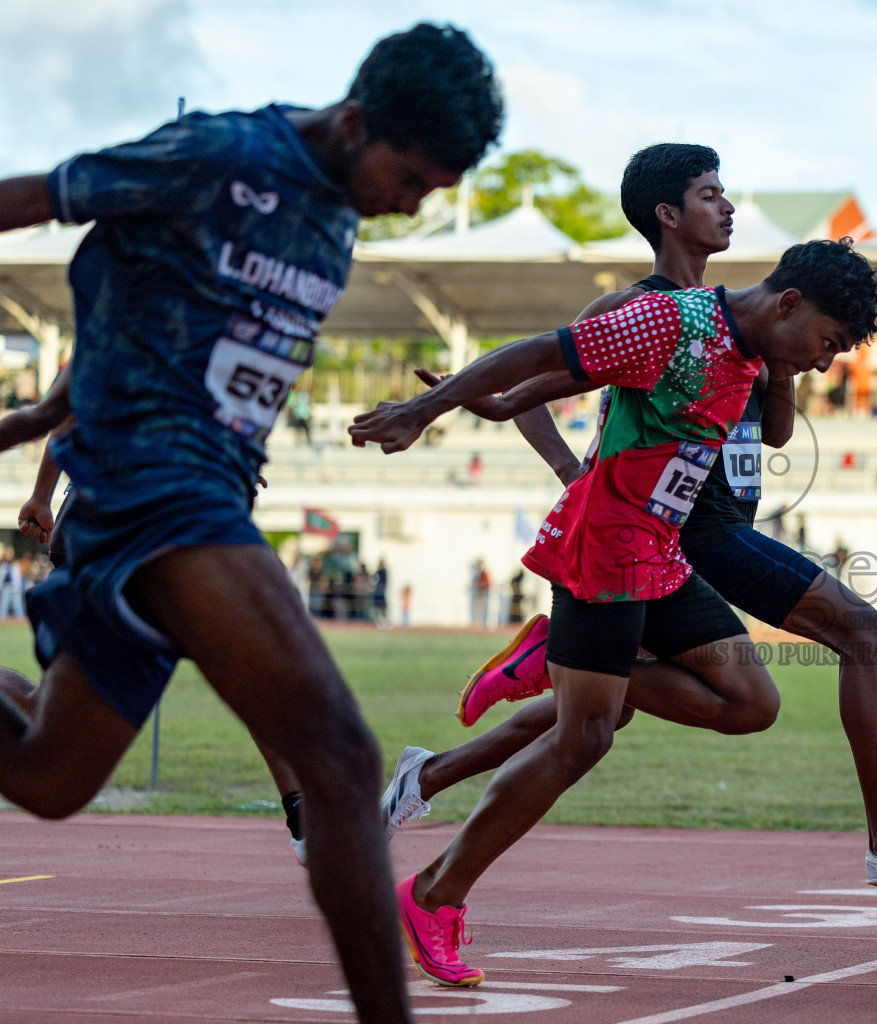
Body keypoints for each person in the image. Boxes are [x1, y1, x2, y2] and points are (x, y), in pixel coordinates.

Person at [0, 22, 504, 1023]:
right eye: (409, 178)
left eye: (434, 194)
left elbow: (147, 306)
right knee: (343, 760)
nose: (411, 205)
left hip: (194, 496)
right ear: (356, 122)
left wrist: (50, 413)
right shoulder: (221, 156)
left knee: (50, 777)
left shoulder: (341, 218)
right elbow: (34, 197)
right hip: (158, 490)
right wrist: (49, 427)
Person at [377, 143, 877, 927]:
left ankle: (433, 772)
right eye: (709, 194)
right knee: (857, 632)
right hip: (678, 529)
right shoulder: (654, 310)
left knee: (599, 712)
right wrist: (550, 462)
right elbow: (538, 379)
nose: (726, 206)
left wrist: (781, 366)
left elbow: (778, 434)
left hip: (687, 528)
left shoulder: (743, 325)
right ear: (668, 214)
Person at [350, 232, 877, 987]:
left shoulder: (752, 349)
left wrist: (785, 365)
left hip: (659, 553)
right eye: (826, 343)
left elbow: (768, 428)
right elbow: (546, 351)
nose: (825, 361)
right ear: (789, 303)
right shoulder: (671, 322)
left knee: (751, 701)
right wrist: (427, 408)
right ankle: (434, 893)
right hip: (604, 547)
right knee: (585, 738)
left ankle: (555, 661)